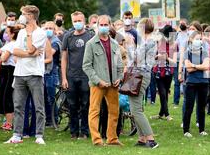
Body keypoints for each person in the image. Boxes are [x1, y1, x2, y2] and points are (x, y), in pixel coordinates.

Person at [5, 5, 48, 145]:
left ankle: (39, 135)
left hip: (35, 74)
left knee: (38, 106)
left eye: (23, 14)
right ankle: (17, 135)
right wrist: (30, 54)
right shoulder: (21, 32)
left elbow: (31, 48)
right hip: (19, 73)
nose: (21, 16)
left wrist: (30, 41)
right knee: (18, 105)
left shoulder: (41, 33)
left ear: (30, 16)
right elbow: (16, 51)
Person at [82, 15, 124, 146]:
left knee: (114, 111)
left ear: (110, 25)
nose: (104, 27)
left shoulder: (115, 44)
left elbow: (119, 64)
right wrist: (97, 80)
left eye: (106, 25)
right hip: (97, 84)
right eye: (102, 25)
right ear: (97, 26)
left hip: (113, 84)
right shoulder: (91, 44)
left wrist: (119, 78)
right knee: (94, 111)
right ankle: (97, 139)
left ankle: (112, 138)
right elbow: (86, 65)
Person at [126, 18, 159, 148]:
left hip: (140, 76)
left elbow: (135, 57)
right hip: (139, 75)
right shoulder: (146, 42)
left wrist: (129, 44)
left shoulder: (149, 42)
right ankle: (142, 138)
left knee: (136, 110)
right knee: (136, 108)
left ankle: (150, 139)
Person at [61, 11, 93, 139]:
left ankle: (85, 131)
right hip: (71, 76)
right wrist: (63, 77)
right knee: (72, 105)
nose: (77, 23)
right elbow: (64, 58)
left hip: (86, 76)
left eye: (79, 21)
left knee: (86, 105)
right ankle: (73, 131)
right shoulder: (67, 37)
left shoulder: (90, 36)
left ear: (84, 21)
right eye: (75, 21)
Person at [182, 31, 210, 137]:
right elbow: (188, 69)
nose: (199, 41)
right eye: (197, 39)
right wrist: (199, 65)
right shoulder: (187, 53)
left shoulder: (204, 52)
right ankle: (186, 130)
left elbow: (206, 66)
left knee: (201, 107)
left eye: (200, 39)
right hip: (191, 83)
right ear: (191, 39)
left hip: (203, 82)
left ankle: (202, 129)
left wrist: (194, 65)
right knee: (189, 107)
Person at [0, 26, 21, 131]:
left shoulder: (12, 44)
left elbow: (3, 58)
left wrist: (1, 54)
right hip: (5, 71)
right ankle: (7, 122)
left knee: (7, 96)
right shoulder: (9, 44)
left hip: (9, 71)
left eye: (7, 32)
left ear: (12, 34)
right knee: (4, 95)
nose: (5, 34)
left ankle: (9, 123)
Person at [152, 25, 177, 121]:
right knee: (162, 93)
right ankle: (167, 114)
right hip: (158, 70)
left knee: (165, 92)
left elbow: (174, 62)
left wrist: (167, 58)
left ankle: (161, 114)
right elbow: (152, 56)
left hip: (168, 71)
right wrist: (157, 56)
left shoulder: (174, 45)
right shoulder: (158, 43)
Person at [43, 21, 61, 127]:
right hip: (44, 72)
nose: (48, 30)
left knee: (51, 97)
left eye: (50, 28)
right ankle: (48, 119)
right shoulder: (45, 40)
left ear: (54, 30)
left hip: (52, 73)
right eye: (46, 28)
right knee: (45, 97)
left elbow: (50, 54)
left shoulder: (55, 42)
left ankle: (55, 119)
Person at [174, 18, 189, 106]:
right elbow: (173, 46)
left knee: (187, 81)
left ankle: (187, 98)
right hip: (179, 59)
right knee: (177, 81)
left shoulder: (189, 34)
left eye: (183, 23)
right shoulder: (177, 34)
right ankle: (176, 101)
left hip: (188, 59)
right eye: (180, 24)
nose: (181, 25)